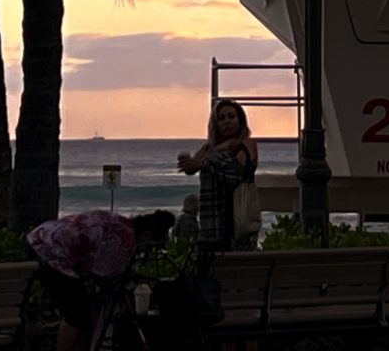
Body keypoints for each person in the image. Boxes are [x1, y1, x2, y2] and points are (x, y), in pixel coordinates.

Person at [28, 208, 175, 351]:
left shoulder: (123, 226)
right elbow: (106, 277)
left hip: (44, 237)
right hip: (49, 251)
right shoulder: (120, 239)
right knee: (77, 314)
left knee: (82, 312)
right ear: (147, 236)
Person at [178, 97, 259, 250]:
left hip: (237, 216)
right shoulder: (209, 148)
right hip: (212, 220)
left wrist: (205, 162)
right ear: (215, 124)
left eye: (231, 116)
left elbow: (234, 171)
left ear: (240, 120)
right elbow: (192, 167)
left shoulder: (247, 144)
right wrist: (192, 161)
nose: (227, 121)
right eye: (221, 118)